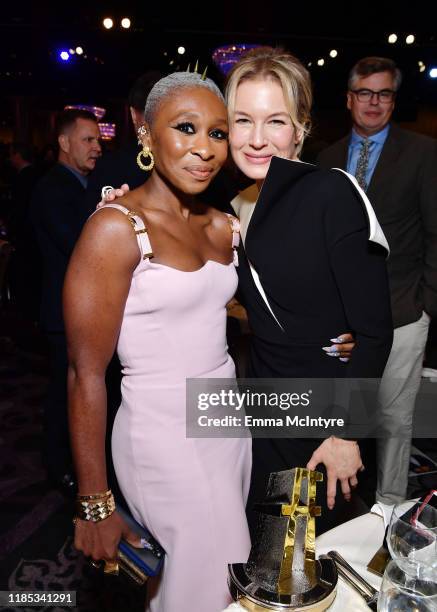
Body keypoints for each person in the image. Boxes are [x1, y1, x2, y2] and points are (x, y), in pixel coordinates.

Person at [64, 72, 251, 612]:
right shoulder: (116, 228)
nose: (203, 149)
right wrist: (95, 503)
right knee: (215, 578)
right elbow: (84, 373)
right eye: (185, 128)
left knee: (189, 574)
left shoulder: (223, 224)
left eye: (218, 134)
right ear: (146, 134)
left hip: (225, 420)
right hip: (163, 433)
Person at [224, 47, 393, 533]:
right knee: (264, 555)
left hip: (324, 422)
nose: (256, 139)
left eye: (275, 121)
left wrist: (345, 433)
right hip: (264, 409)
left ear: (299, 128)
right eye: (242, 121)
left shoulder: (333, 195)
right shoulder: (231, 205)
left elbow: (376, 333)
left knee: (307, 568)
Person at [318, 56, 437, 504]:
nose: (374, 102)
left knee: (392, 418)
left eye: (383, 93)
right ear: (349, 99)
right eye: (365, 93)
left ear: (393, 100)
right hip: (340, 316)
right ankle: (334, 506)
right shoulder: (327, 159)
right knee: (337, 413)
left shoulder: (423, 152)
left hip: (403, 309)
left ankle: (387, 510)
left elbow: (435, 231)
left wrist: (427, 302)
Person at [30, 109, 101, 491]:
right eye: (88, 140)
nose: (96, 147)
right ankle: (61, 469)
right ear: (63, 143)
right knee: (65, 392)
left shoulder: (81, 186)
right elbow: (80, 247)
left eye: (98, 140)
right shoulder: (54, 188)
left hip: (78, 311)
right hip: (63, 312)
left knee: (75, 388)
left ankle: (69, 464)